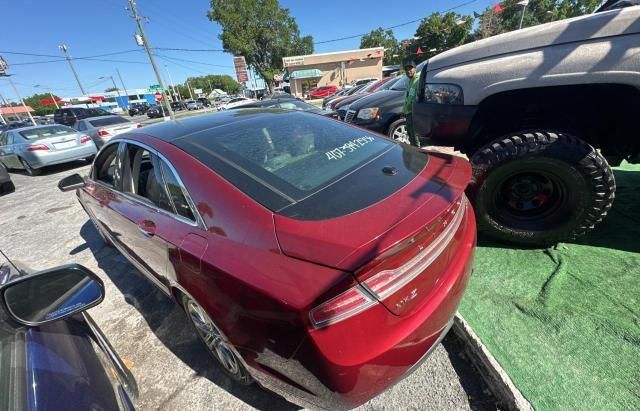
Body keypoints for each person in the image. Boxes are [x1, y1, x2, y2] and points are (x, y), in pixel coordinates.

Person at [402, 60, 421, 147]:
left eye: (410, 68)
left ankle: (419, 155)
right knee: (410, 136)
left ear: (415, 68)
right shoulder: (409, 81)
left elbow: (420, 96)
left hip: (415, 114)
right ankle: (415, 152)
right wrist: (404, 110)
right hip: (408, 113)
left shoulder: (418, 80)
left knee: (415, 136)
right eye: (406, 69)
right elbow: (408, 97)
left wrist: (413, 105)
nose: (408, 71)